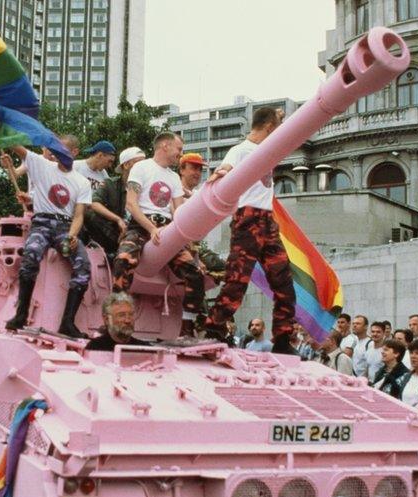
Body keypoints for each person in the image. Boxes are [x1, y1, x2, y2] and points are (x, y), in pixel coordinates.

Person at [202, 108, 297, 354]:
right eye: (275, 127)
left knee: (284, 284)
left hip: (268, 221)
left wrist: (280, 116)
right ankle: (214, 328)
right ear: (268, 128)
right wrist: (221, 174)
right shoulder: (241, 149)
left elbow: (288, 131)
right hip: (248, 218)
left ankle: (284, 340)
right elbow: (225, 169)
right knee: (237, 280)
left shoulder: (268, 150)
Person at [112, 132, 205, 337]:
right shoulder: (141, 167)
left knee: (195, 274)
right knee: (122, 262)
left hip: (167, 230)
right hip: (140, 226)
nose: (180, 155)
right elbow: (131, 203)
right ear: (164, 145)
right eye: (179, 149)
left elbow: (179, 211)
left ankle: (187, 328)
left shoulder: (173, 177)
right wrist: (151, 228)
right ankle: (116, 318)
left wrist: (183, 235)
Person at [2, 140, 93, 338]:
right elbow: (17, 147)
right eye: (56, 149)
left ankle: (67, 322)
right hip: (41, 223)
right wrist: (3, 127)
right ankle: (21, 314)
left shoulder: (82, 182)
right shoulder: (42, 165)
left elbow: (79, 215)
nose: (58, 153)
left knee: (83, 266)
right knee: (31, 254)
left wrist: (72, 236)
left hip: (64, 227)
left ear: (75, 152)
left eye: (64, 149)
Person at [82, 147, 144, 260]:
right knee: (89, 214)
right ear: (126, 165)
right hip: (116, 231)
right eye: (139, 163)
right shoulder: (110, 184)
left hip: (139, 231)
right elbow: (93, 203)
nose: (144, 167)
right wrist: (118, 220)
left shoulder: (148, 187)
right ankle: (111, 250)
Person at [85, 293, 151, 352]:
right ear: (107, 319)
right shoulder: (94, 348)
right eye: (121, 315)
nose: (127, 320)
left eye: (130, 315)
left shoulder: (145, 349)